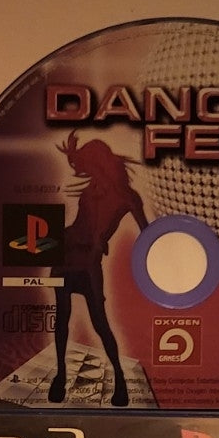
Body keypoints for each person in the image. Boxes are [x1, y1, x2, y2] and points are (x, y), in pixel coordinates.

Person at [49, 131, 148, 407]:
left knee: (99, 322)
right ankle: (60, 376)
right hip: (65, 253)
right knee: (62, 318)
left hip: (89, 263)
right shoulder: (90, 190)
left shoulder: (128, 197)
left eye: (85, 165)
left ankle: (119, 379)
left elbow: (148, 234)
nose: (82, 171)